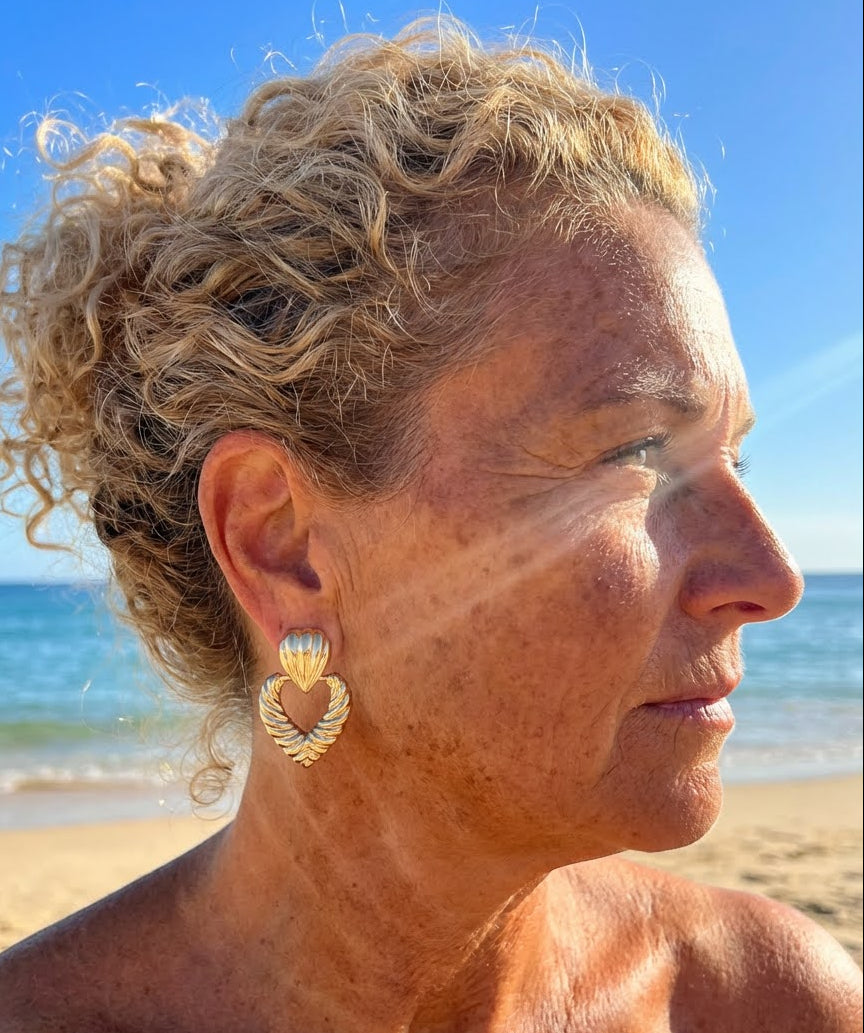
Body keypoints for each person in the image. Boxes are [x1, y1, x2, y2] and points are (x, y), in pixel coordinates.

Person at [0, 18, 860, 1032]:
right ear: (282, 545)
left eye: (733, 458)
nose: (773, 576)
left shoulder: (764, 1002)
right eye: (637, 452)